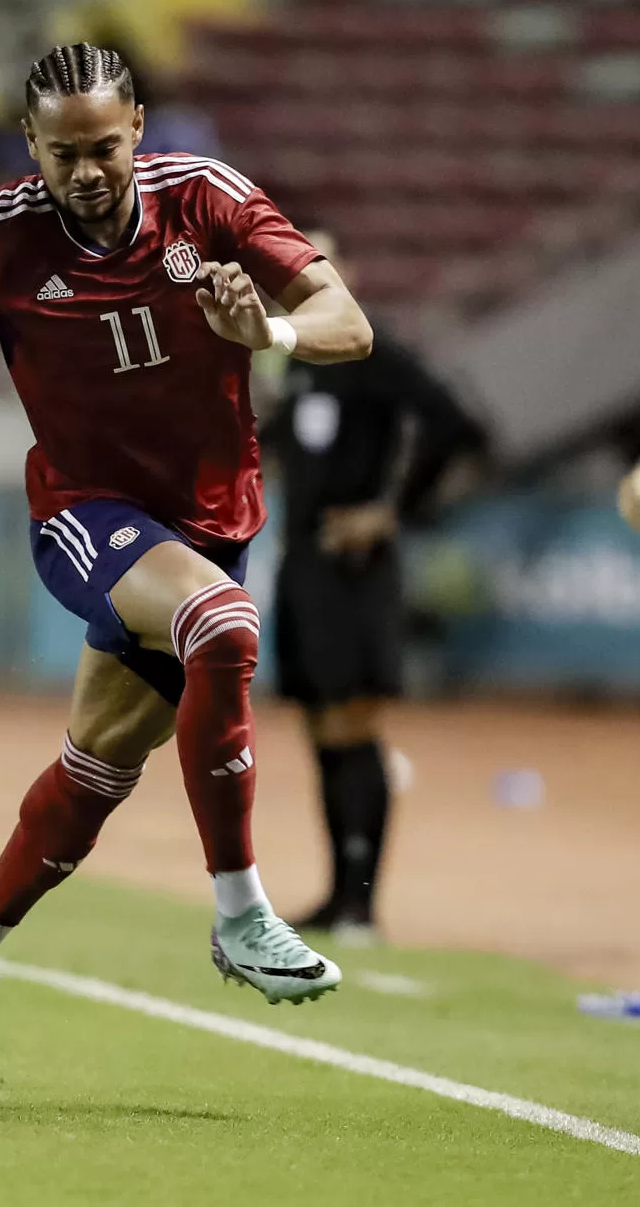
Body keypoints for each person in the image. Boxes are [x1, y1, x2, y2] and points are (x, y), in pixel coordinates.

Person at [0, 44, 374, 1084]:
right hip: (86, 515)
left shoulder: (209, 199)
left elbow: (349, 322)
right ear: (33, 148)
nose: (88, 171)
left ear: (139, 129)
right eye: (65, 153)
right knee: (226, 626)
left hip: (212, 519)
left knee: (97, 770)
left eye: (105, 146)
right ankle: (239, 912)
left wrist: (271, 327)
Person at [267, 228, 482, 944]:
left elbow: (455, 425)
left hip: (354, 572)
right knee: (320, 726)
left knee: (355, 725)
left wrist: (390, 513)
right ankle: (337, 894)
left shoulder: (368, 347)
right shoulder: (293, 358)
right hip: (302, 568)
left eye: (317, 260)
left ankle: (362, 902)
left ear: (343, 270)